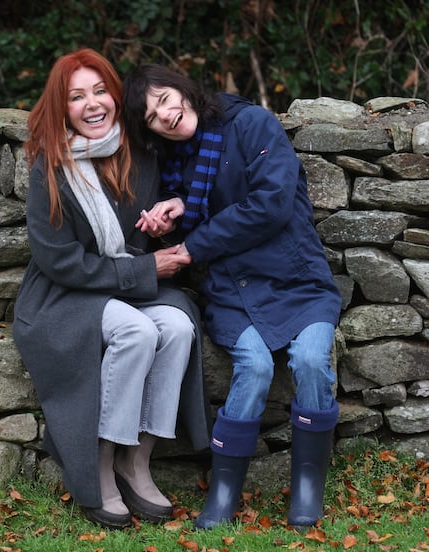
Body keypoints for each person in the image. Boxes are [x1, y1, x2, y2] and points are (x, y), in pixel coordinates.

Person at [123, 64, 342, 530]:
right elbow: (199, 205)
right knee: (257, 365)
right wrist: (173, 214)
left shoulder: (252, 124)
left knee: (309, 360)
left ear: (184, 89)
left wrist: (194, 244)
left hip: (298, 281)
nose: (165, 115)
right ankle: (223, 493)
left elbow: (271, 203)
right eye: (151, 116)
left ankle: (307, 486)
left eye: (165, 99)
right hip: (232, 291)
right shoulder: (177, 161)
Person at [11, 49, 211, 530]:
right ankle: (98, 465)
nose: (93, 104)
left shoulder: (140, 150)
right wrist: (143, 273)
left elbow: (155, 232)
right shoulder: (51, 164)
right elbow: (57, 259)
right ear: (62, 107)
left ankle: (136, 461)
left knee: (179, 327)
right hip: (66, 294)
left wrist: (163, 223)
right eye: (77, 96)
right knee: (139, 333)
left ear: (115, 96)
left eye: (100, 90)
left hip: (128, 283)